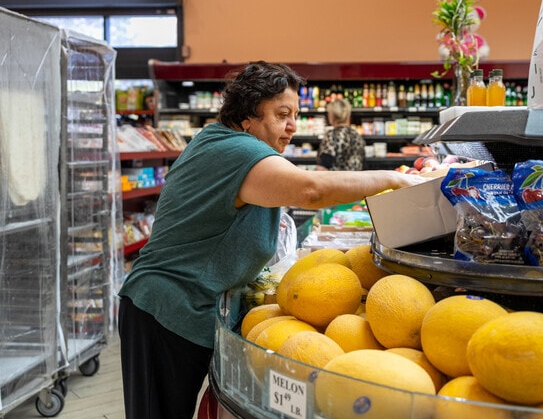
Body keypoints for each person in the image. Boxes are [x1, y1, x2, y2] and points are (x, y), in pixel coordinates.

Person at [117, 61, 425, 419]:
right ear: (248, 116)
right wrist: (395, 178)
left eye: (296, 114)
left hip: (185, 308)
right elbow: (310, 190)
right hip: (165, 309)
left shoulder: (227, 144)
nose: (293, 126)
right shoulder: (237, 151)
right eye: (282, 114)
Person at [316, 97, 366, 171]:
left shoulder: (332, 135)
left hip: (335, 181)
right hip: (356, 181)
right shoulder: (357, 136)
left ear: (332, 116)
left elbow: (322, 168)